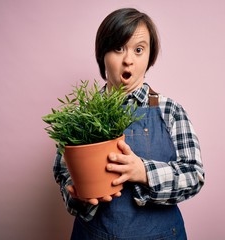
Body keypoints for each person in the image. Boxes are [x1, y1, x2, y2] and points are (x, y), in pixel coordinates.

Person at [53, 8, 205, 239]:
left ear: (149, 57)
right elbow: (63, 173)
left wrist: (143, 172)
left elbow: (193, 176)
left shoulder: (170, 111)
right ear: (102, 54)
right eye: (118, 48)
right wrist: (77, 197)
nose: (128, 60)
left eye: (139, 50)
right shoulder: (80, 115)